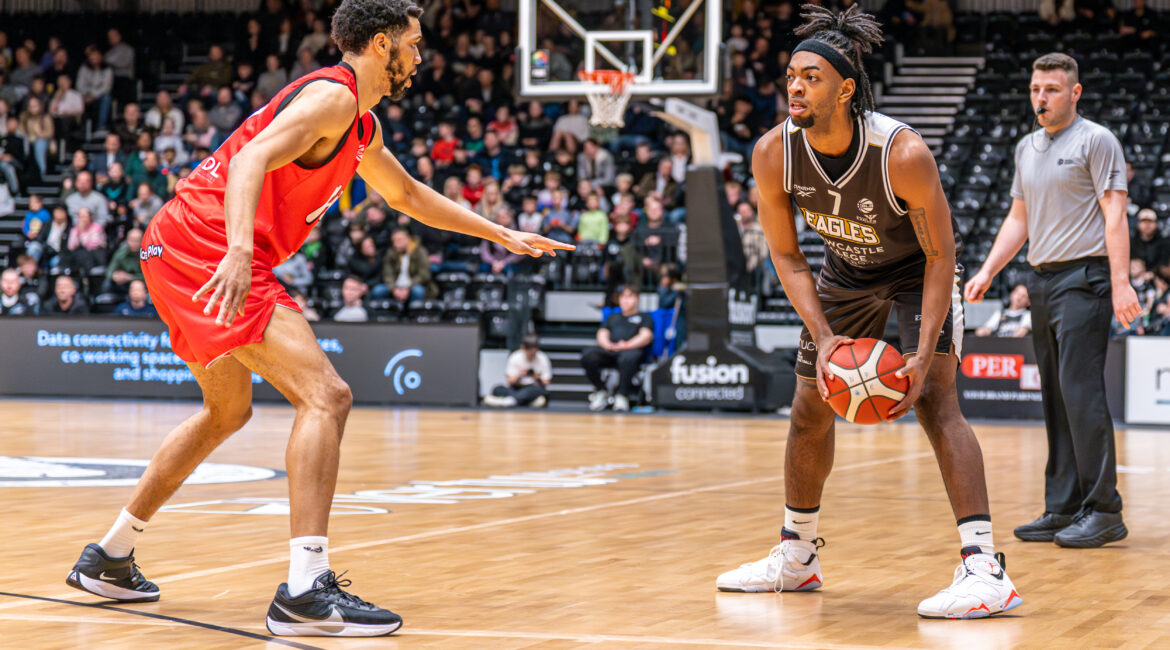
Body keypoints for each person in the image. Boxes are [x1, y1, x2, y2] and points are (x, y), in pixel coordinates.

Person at [64, 0, 572, 638]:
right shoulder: (333, 99)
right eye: (413, 44)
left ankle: (109, 557)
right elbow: (248, 162)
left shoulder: (361, 125)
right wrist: (243, 253)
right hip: (209, 249)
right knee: (326, 396)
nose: (419, 56)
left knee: (227, 411)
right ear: (382, 44)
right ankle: (304, 591)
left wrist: (501, 233)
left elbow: (408, 195)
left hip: (173, 246)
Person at [717, 4, 1021, 619]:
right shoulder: (773, 153)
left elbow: (940, 260)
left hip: (917, 271)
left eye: (811, 77)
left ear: (846, 89)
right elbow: (786, 254)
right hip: (845, 273)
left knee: (937, 397)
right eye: (791, 76)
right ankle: (797, 556)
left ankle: (985, 568)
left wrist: (919, 351)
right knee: (808, 406)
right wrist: (824, 336)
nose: (795, 87)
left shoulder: (901, 153)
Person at [964, 52, 1138, 549]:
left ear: (1074, 93)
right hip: (1042, 281)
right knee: (1056, 399)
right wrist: (988, 270)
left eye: (1053, 90)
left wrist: (1122, 281)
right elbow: (1019, 219)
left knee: (1081, 394)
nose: (1042, 98)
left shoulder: (1097, 140)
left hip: (1086, 279)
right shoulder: (1025, 147)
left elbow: (1115, 217)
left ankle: (1104, 510)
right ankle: (1063, 507)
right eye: (1037, 88)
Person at [581, 285, 653, 413]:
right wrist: (608, 345)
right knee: (588, 354)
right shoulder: (613, 317)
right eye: (623, 297)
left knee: (629, 356)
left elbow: (645, 336)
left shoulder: (645, 318)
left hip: (632, 352)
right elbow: (602, 333)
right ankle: (601, 391)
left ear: (636, 299)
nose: (625, 301)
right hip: (611, 351)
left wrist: (626, 345)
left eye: (629, 297)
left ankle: (622, 394)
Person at [482, 334, 552, 408]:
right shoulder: (515, 357)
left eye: (533, 353)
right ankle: (523, 401)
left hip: (534, 388)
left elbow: (546, 382)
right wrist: (520, 374)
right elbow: (510, 381)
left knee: (539, 391)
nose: (531, 355)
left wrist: (537, 377)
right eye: (529, 353)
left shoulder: (543, 358)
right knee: (498, 389)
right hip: (517, 388)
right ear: (523, 348)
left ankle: (509, 401)